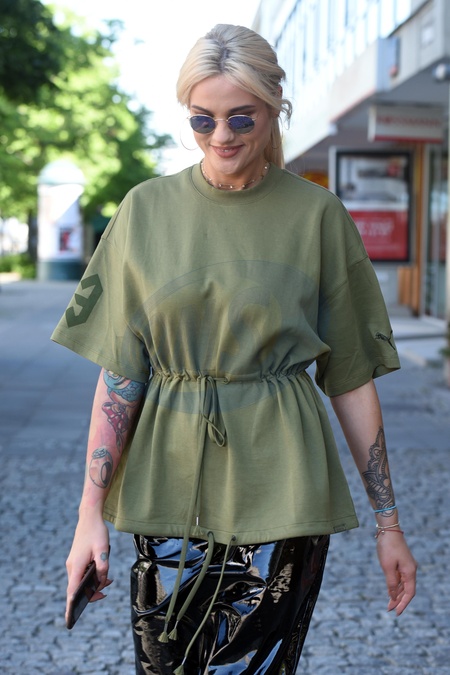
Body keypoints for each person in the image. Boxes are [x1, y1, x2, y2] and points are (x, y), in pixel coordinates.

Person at [52, 23, 417, 675]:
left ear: (274, 109)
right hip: (165, 489)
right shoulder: (144, 211)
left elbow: (350, 377)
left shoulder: (318, 216)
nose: (220, 136)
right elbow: (122, 374)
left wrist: (388, 523)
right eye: (202, 119)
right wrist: (89, 515)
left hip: (284, 490)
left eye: (240, 118)